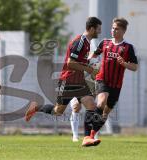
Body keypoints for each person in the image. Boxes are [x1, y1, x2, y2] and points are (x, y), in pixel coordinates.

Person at [25, 17, 102, 146]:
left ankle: (87, 138)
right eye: (98, 29)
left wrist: (91, 65)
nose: (99, 32)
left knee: (91, 105)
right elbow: (70, 63)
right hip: (68, 81)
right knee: (57, 112)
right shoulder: (80, 42)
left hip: (79, 82)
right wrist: (89, 69)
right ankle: (36, 107)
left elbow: (79, 61)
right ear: (92, 28)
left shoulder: (87, 43)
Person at [83, 17, 138, 146]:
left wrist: (124, 63)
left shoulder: (128, 48)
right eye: (112, 28)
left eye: (116, 29)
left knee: (105, 113)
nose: (113, 30)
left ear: (123, 31)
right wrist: (87, 61)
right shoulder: (105, 43)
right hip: (103, 79)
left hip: (117, 85)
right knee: (101, 102)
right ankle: (87, 135)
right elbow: (94, 55)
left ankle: (91, 136)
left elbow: (135, 67)